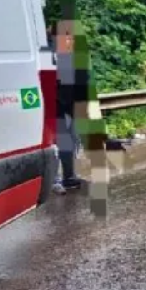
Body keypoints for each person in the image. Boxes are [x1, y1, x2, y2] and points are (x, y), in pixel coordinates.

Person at [50, 21, 84, 191]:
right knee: (57, 143)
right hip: (55, 106)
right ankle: (55, 180)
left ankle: (69, 177)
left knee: (72, 141)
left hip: (70, 105)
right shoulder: (49, 55)